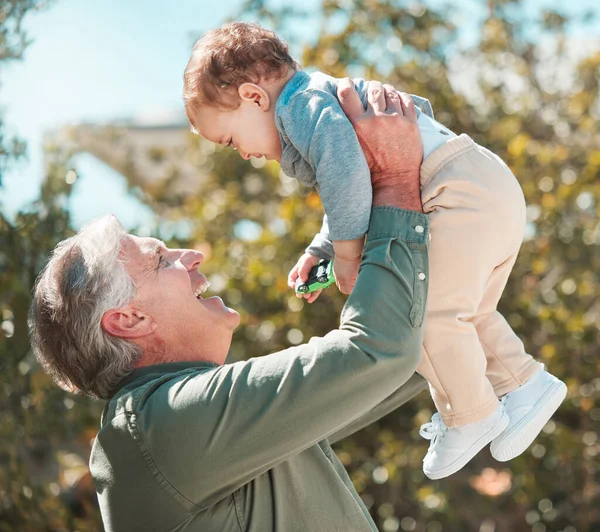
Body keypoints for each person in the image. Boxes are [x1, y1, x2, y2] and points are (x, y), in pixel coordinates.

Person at [29, 82, 430, 531]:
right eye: (161, 260)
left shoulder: (180, 427)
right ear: (129, 318)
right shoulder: (162, 427)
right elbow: (380, 350)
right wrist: (395, 178)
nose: (193, 255)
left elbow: (406, 354)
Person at [182, 22, 567, 480]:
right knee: (469, 313)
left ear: (254, 97)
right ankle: (524, 383)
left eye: (230, 140)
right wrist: (324, 246)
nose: (242, 154)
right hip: (483, 186)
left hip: (453, 190)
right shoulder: (313, 100)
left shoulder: (300, 107)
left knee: (418, 311)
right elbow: (351, 183)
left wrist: (346, 257)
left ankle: (470, 414)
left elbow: (345, 175)